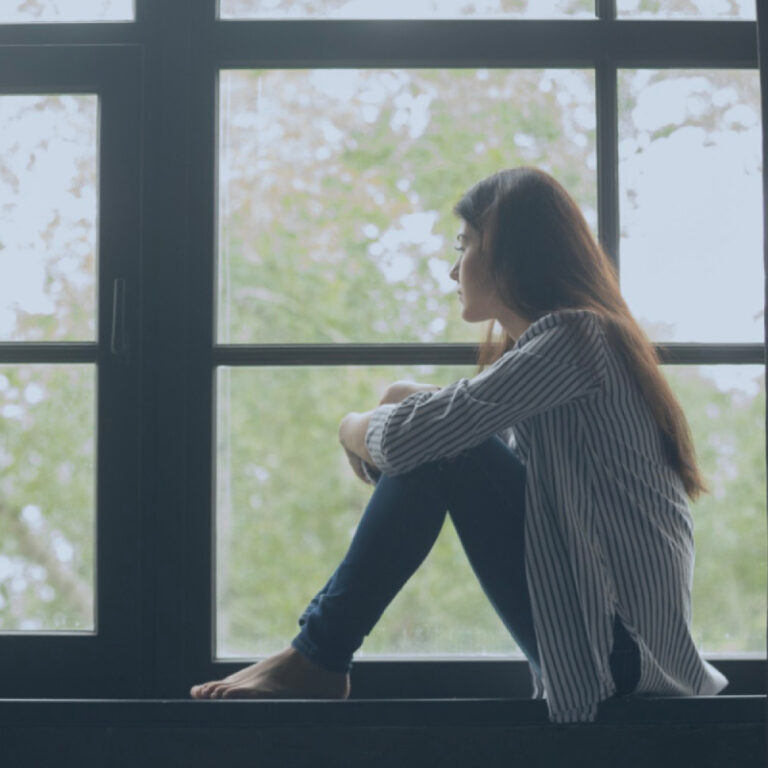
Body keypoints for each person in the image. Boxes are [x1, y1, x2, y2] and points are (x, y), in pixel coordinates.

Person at [190, 166, 728, 723]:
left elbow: (418, 443)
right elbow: (460, 443)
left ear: (508, 251)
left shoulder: (576, 338)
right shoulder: (577, 350)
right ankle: (315, 656)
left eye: (464, 244)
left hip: (621, 660)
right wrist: (401, 401)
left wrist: (353, 424)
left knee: (444, 444)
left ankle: (319, 656)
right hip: (613, 654)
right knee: (439, 437)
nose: (453, 268)